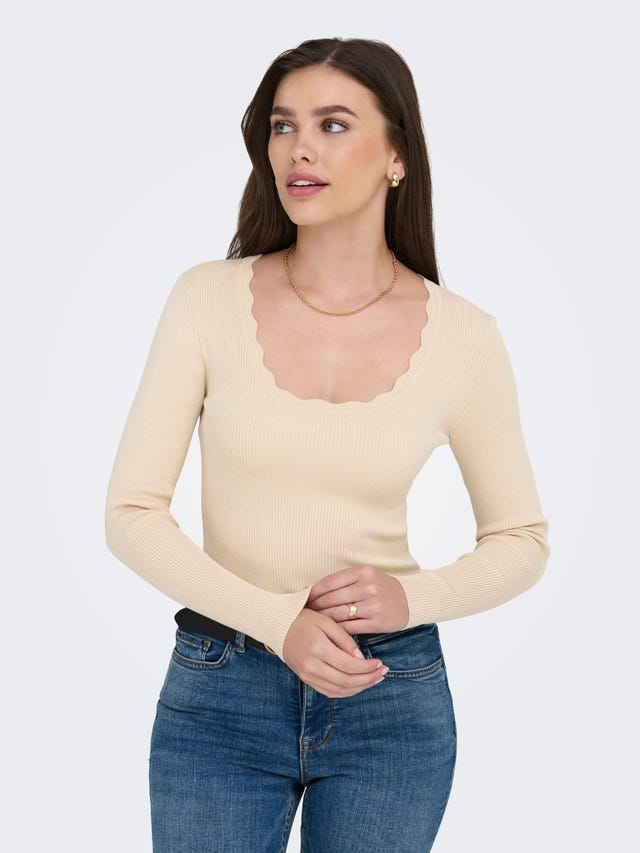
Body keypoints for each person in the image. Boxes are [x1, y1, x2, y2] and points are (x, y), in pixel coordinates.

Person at [105, 36, 550, 853]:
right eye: (283, 125)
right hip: (222, 688)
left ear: (397, 158)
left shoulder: (464, 337)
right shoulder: (205, 300)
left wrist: (412, 598)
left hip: (389, 697)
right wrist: (280, 622)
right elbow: (131, 513)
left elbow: (522, 538)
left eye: (333, 124)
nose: (298, 148)